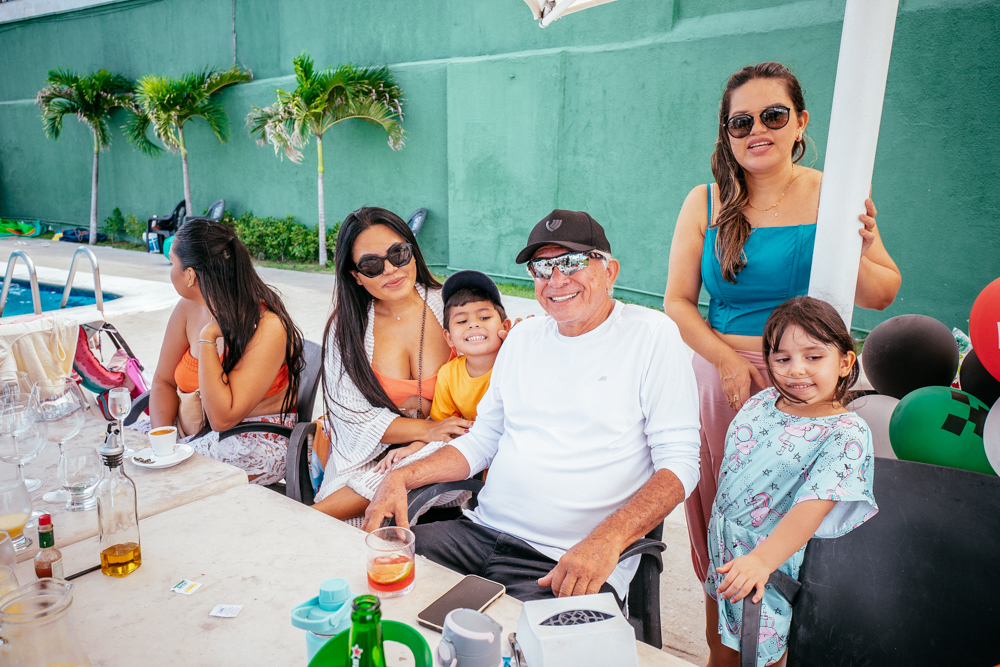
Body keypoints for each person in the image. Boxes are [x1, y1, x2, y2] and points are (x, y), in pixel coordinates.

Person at [661, 62, 900, 651]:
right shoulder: (705, 200)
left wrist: (863, 242)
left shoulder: (834, 190)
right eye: (740, 121)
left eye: (773, 115)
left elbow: (881, 291)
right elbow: (678, 301)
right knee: (727, 520)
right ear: (726, 131)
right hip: (727, 377)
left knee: (802, 522)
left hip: (807, 378)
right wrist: (724, 360)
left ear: (801, 123)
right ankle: (727, 647)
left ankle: (785, 645)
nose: (756, 131)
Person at [362, 210, 702, 603]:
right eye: (542, 268)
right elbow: (482, 440)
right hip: (479, 534)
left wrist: (607, 541)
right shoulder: (523, 338)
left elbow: (679, 463)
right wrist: (402, 477)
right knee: (380, 593)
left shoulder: (651, 335)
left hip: (566, 561)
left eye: (571, 262)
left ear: (610, 271)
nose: (556, 281)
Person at [706, 296, 877, 666]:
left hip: (767, 568)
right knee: (718, 648)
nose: (796, 370)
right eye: (782, 359)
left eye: (813, 357)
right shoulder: (763, 401)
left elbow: (813, 505)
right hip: (724, 555)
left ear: (845, 360)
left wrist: (761, 562)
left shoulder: (846, 432)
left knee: (756, 658)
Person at [312, 207, 473, 524]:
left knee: (442, 446)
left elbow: (489, 385)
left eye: (398, 253)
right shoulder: (346, 329)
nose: (390, 269)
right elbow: (352, 418)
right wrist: (428, 427)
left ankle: (305, 521)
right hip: (368, 456)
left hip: (445, 452)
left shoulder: (457, 308)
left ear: (413, 253)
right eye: (371, 264)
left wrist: (427, 436)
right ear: (354, 276)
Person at [138, 218, 304, 485]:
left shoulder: (267, 325)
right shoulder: (188, 308)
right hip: (195, 430)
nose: (170, 271)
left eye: (172, 264)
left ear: (191, 274)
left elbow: (222, 418)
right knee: (128, 454)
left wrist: (207, 339)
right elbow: (163, 381)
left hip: (254, 438)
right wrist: (164, 442)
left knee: (169, 482)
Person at [374, 270, 511, 473]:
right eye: (462, 321)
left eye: (484, 317)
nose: (474, 324)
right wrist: (414, 447)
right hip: (478, 457)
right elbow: (443, 427)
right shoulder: (449, 374)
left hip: (516, 453)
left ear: (505, 326)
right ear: (448, 338)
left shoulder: (514, 362)